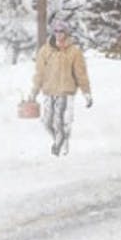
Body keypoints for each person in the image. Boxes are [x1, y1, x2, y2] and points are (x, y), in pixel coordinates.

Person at [31, 20, 92, 156]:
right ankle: (58, 139)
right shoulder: (45, 50)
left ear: (66, 33)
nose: (58, 34)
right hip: (49, 91)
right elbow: (39, 72)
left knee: (63, 121)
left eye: (61, 31)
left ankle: (62, 144)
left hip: (66, 91)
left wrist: (86, 92)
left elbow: (80, 73)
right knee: (47, 122)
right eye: (56, 31)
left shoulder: (74, 52)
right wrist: (34, 91)